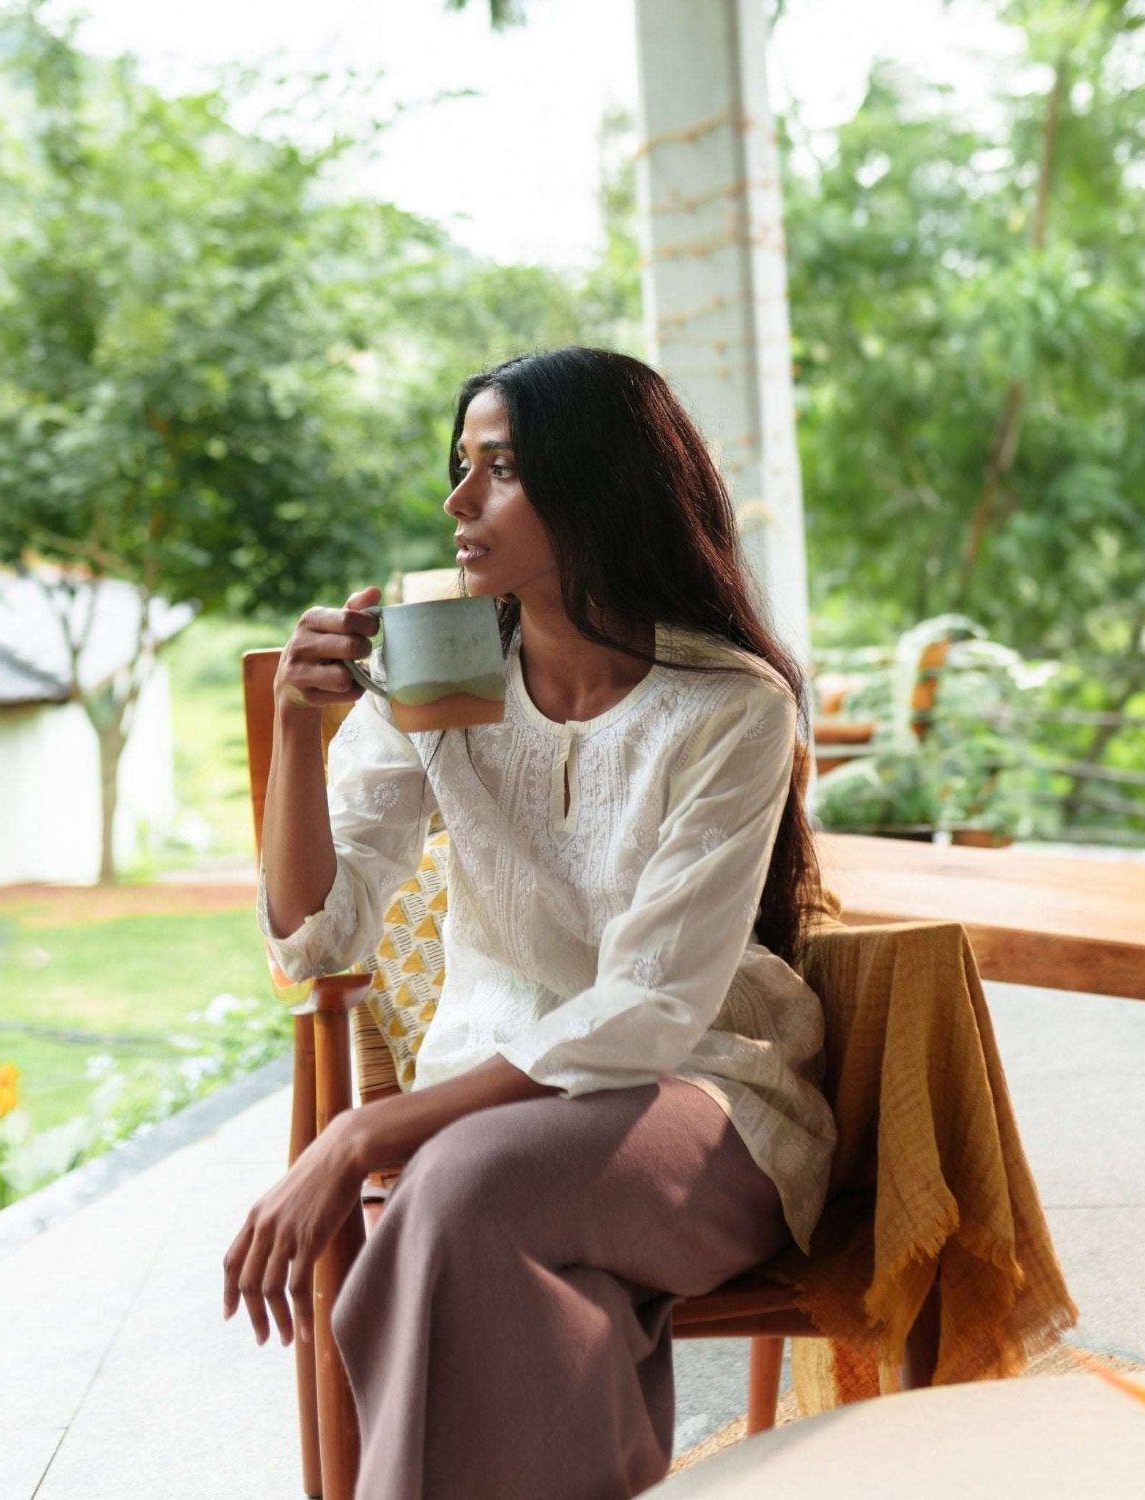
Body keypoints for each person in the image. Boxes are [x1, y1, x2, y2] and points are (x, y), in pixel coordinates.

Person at [223, 347, 837, 1499]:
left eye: (499, 470)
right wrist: (297, 733)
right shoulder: (442, 671)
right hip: (497, 1132)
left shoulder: (729, 707)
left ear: (600, 487)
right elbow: (319, 936)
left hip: (709, 1106)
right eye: (461, 468)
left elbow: (653, 1012)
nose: (458, 504)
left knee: (458, 1195)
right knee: (510, 1264)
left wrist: (363, 1134)